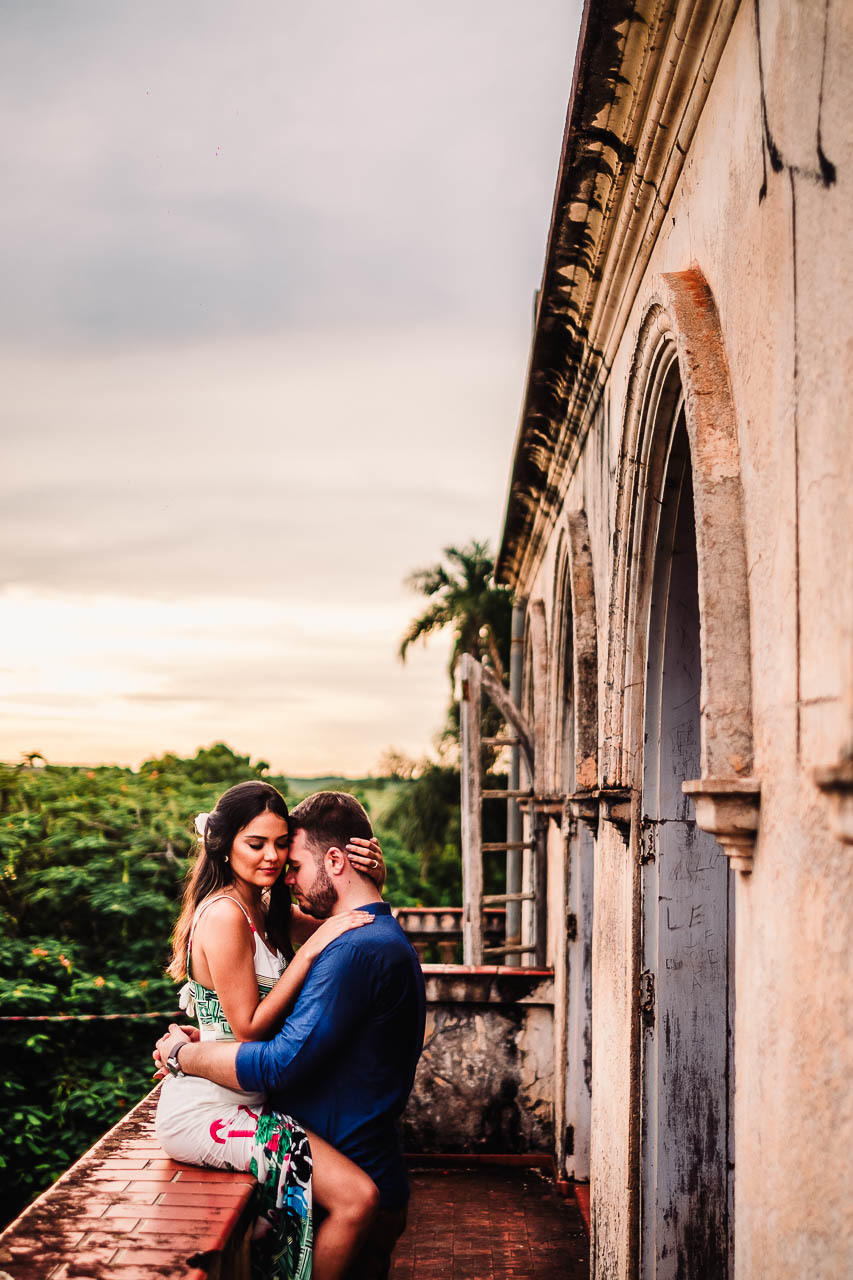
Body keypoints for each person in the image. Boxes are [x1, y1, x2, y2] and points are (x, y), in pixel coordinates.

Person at [156, 790, 426, 1280]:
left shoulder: (266, 910)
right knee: (355, 1197)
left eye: (282, 846)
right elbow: (250, 1027)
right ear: (224, 846)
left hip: (248, 1096)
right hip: (214, 1102)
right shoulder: (224, 914)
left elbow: (346, 917)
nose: (274, 858)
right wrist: (183, 1055)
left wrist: (371, 878)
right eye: (256, 843)